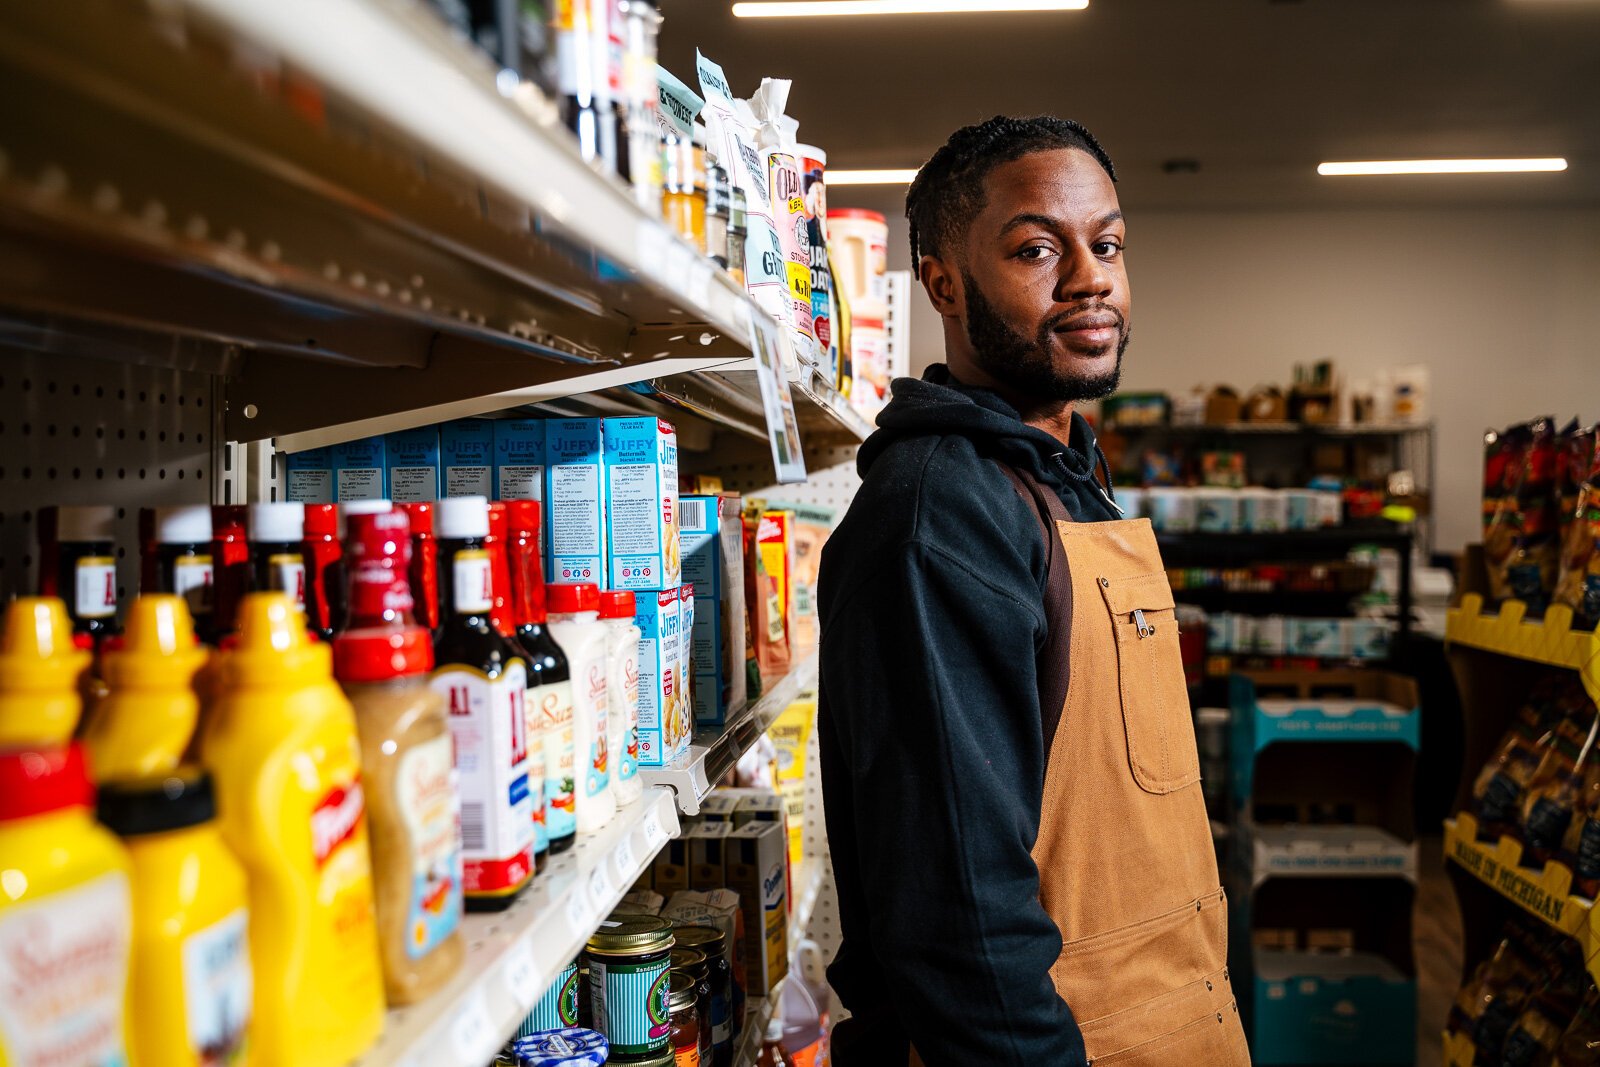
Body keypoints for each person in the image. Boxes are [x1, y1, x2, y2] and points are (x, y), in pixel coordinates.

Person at [817, 116, 1251, 1067]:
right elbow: (957, 908)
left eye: (1109, 244)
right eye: (1036, 249)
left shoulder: (1062, 477)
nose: (1090, 276)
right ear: (943, 283)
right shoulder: (942, 513)